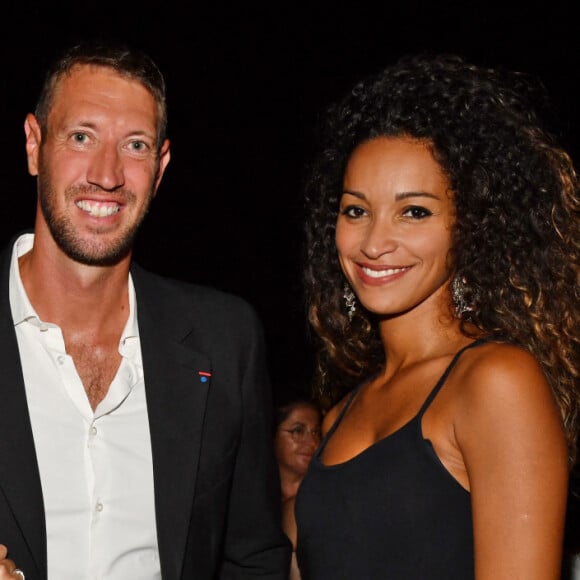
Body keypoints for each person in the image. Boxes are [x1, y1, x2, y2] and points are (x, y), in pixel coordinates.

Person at [0, 40, 291, 580]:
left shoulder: (224, 340)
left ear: (159, 168)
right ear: (34, 145)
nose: (106, 174)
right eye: (82, 136)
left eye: (134, 145)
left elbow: (252, 556)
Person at [294, 53, 580, 580]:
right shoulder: (337, 415)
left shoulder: (496, 381)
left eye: (415, 211)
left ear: (470, 226)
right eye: (356, 210)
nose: (375, 242)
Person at [273, 396, 322, 580]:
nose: (312, 442)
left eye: (317, 432)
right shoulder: (255, 501)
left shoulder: (324, 498)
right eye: (298, 431)